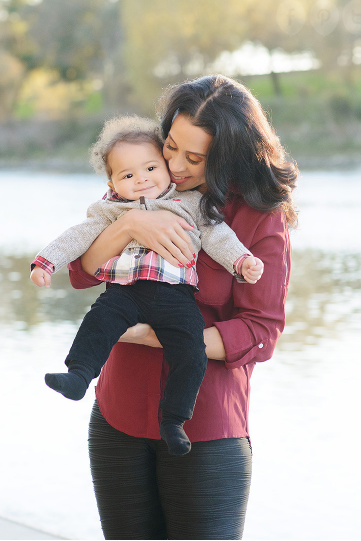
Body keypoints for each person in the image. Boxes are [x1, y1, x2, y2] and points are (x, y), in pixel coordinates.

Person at [68, 74, 298, 539]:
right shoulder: (139, 184)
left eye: (193, 158)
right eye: (170, 145)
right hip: (118, 417)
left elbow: (261, 330)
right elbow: (80, 273)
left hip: (207, 429)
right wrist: (129, 225)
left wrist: (155, 336)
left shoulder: (257, 216)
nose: (173, 164)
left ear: (228, 157)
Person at [30, 115, 264, 456]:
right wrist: (46, 261)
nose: (141, 180)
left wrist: (241, 261)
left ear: (166, 168)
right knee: (99, 321)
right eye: (127, 175)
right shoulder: (109, 210)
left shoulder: (191, 203)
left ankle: (174, 420)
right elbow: (77, 236)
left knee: (190, 352)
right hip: (125, 292)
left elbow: (217, 235)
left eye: (151, 168)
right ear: (112, 181)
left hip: (177, 297)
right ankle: (79, 376)